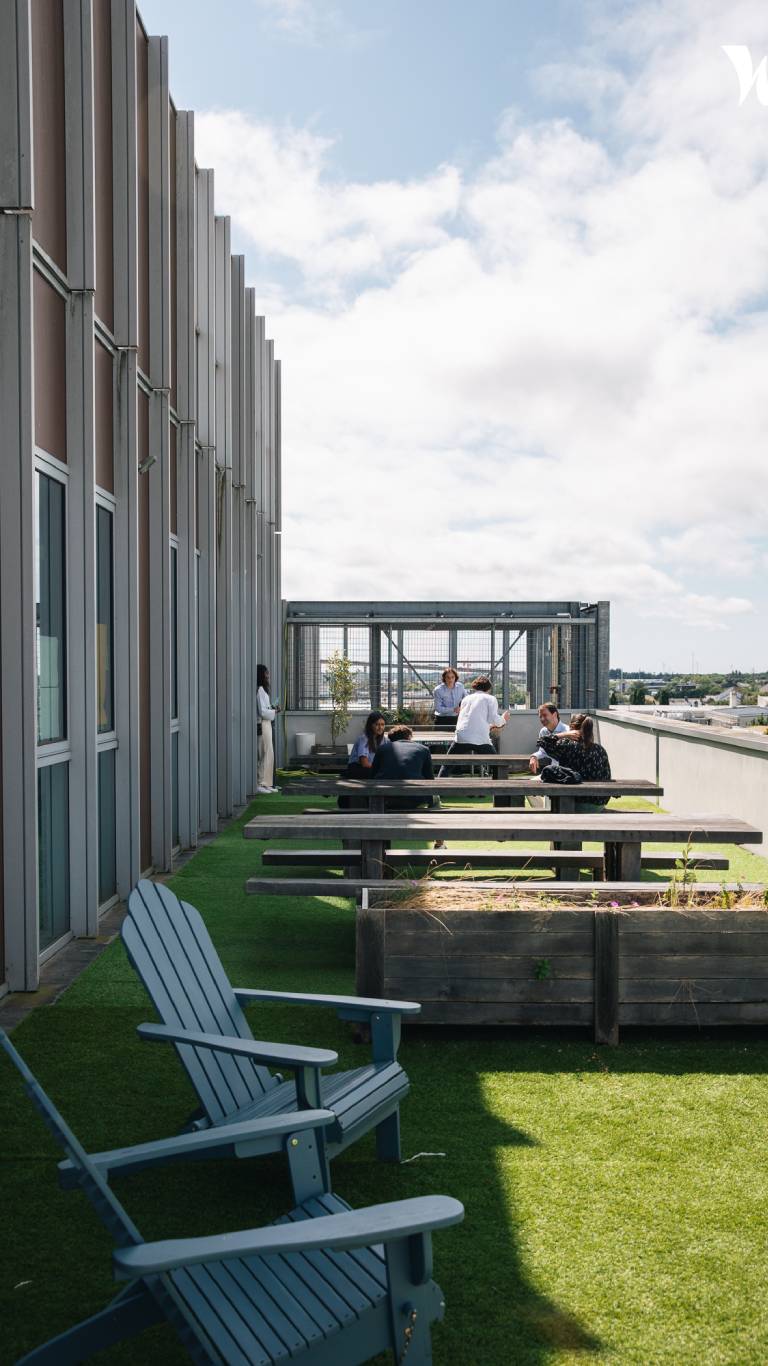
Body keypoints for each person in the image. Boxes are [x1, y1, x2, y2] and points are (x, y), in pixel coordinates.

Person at [531, 712, 611, 808]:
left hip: (572, 803)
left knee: (548, 783)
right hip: (598, 805)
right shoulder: (600, 750)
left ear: (571, 728)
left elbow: (541, 741)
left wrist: (564, 734)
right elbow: (607, 776)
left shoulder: (566, 745)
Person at [440, 676, 510, 767]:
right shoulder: (490, 698)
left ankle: (440, 776)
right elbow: (495, 720)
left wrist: (490, 726)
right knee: (497, 765)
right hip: (480, 739)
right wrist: (504, 719)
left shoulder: (466, 699)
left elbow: (468, 720)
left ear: (475, 687)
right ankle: (497, 776)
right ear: (489, 688)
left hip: (462, 737)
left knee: (447, 765)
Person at [370, 724, 436, 812]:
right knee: (436, 798)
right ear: (409, 737)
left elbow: (373, 774)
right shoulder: (424, 749)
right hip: (415, 797)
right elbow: (429, 778)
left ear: (391, 739)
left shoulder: (382, 749)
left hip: (386, 797)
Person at [256, 663, 280, 793]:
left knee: (269, 753)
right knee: (264, 752)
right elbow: (262, 712)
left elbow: (265, 709)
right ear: (261, 675)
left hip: (267, 724)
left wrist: (273, 709)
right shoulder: (260, 690)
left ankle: (267, 783)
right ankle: (260, 783)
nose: (268, 675)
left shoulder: (263, 690)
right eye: (266, 673)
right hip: (263, 724)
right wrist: (274, 711)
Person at [529, 703, 568, 773]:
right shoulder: (543, 731)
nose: (542, 719)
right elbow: (543, 751)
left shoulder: (567, 730)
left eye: (544, 715)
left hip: (566, 772)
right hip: (554, 771)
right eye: (540, 716)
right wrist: (534, 756)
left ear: (554, 714)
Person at [346, 712, 386, 779]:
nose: (380, 727)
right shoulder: (364, 739)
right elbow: (365, 763)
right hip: (358, 769)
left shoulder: (384, 740)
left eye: (382, 724)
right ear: (370, 725)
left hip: (371, 769)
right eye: (377, 724)